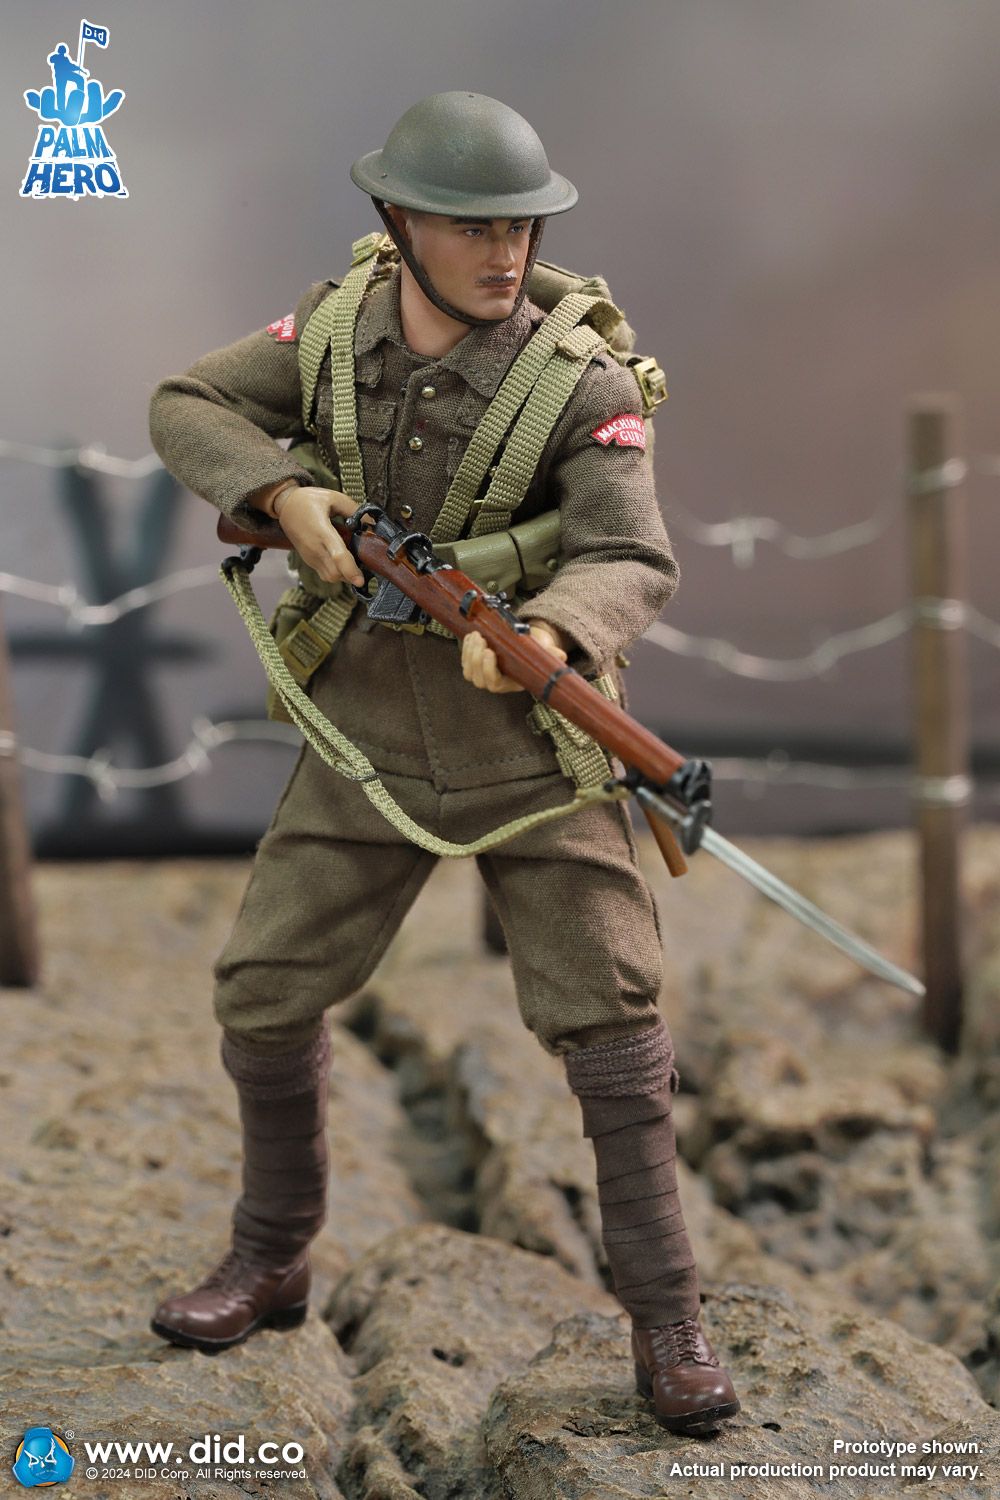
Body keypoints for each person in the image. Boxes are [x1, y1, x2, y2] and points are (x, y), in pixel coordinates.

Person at [147, 91, 740, 1435]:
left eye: (520, 227)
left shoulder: (579, 384)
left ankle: (669, 1318)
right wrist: (281, 491)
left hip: (534, 752)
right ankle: (272, 1253)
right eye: (472, 226)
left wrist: (556, 633)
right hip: (360, 739)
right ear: (399, 222)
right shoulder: (331, 338)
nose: (504, 252)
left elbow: (630, 553)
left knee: (614, 1027)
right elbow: (188, 402)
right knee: (262, 990)